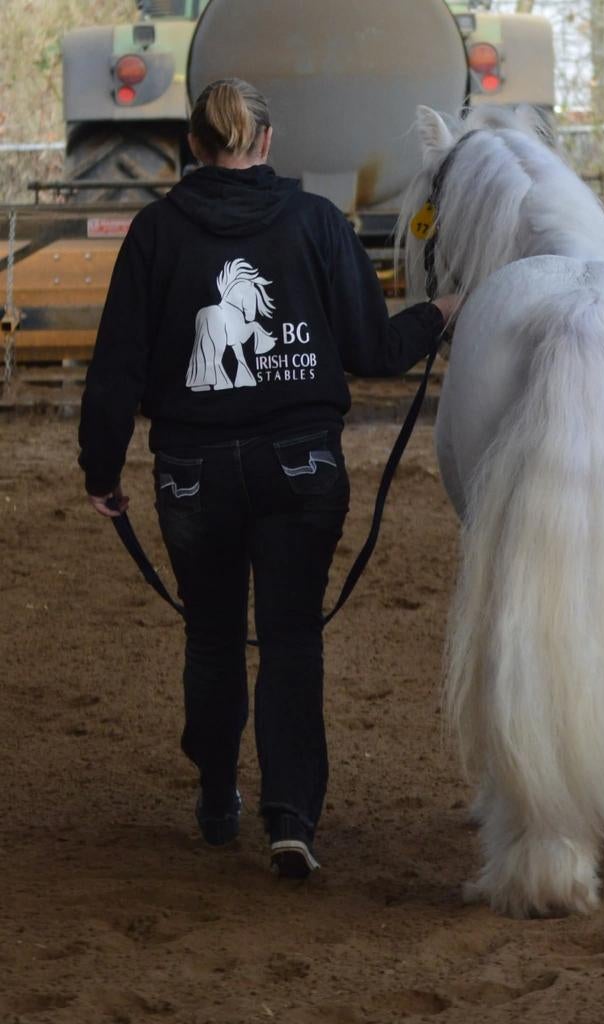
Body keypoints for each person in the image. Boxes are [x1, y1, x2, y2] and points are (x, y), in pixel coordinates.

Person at [78, 78, 458, 879]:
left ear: (192, 145)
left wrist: (100, 469)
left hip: (191, 474)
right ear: (268, 141)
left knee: (212, 637)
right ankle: (292, 817)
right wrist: (443, 311)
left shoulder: (153, 234)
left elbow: (116, 369)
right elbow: (373, 351)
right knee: (291, 639)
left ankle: (219, 794)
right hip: (301, 466)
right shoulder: (316, 224)